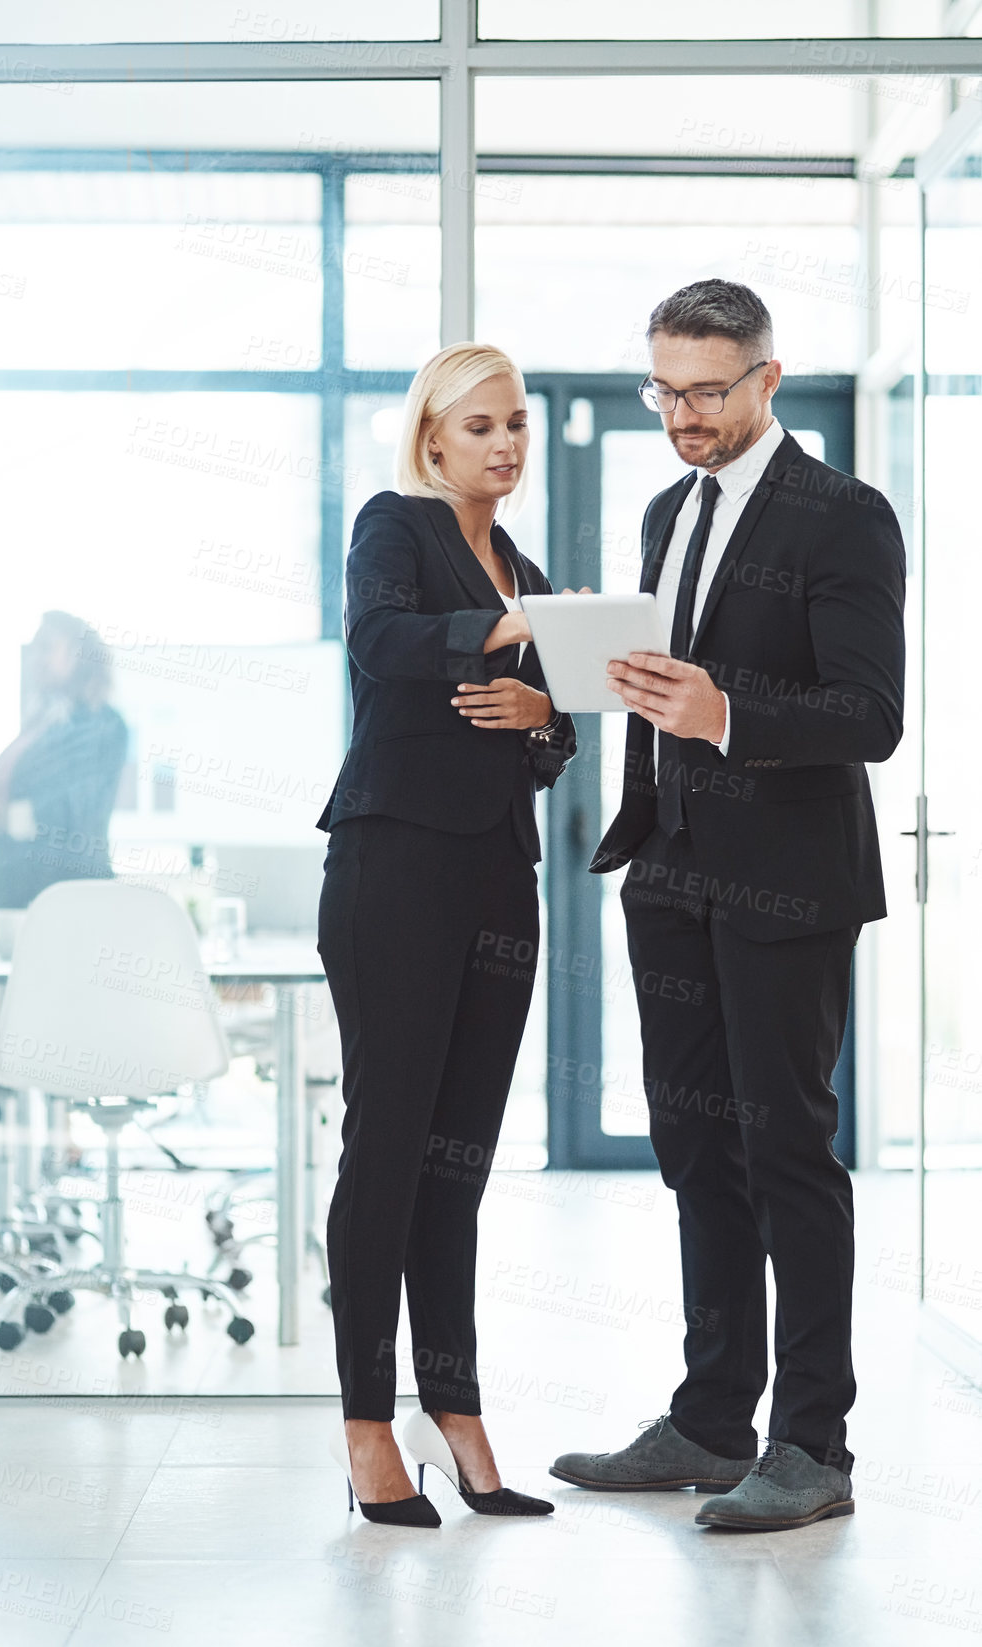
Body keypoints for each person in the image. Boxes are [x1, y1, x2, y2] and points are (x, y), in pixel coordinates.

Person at [550, 280, 906, 1531]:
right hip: (674, 873)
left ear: (766, 377)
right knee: (695, 1147)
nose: (683, 415)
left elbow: (871, 715)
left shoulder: (843, 516)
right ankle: (712, 1419)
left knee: (786, 1153)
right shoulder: (668, 508)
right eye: (665, 390)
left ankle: (813, 1446)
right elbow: (673, 675)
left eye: (706, 391)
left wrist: (728, 716)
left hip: (788, 885)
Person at [318, 342, 575, 1526]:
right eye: (479, 427)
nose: (505, 444)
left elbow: (555, 737)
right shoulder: (396, 527)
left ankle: (455, 1408)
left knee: (459, 1158)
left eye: (515, 423)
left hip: (496, 878)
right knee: (387, 1147)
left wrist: (542, 707)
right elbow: (378, 642)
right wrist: (500, 635)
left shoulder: (523, 565)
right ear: (432, 440)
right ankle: (369, 1425)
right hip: (394, 869)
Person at [0, 611, 128, 911]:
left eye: (47, 647)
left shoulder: (102, 725)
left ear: (78, 657)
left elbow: (76, 809)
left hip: (67, 900)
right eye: (34, 648)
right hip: (18, 894)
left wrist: (2, 819)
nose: (34, 658)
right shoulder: (41, 722)